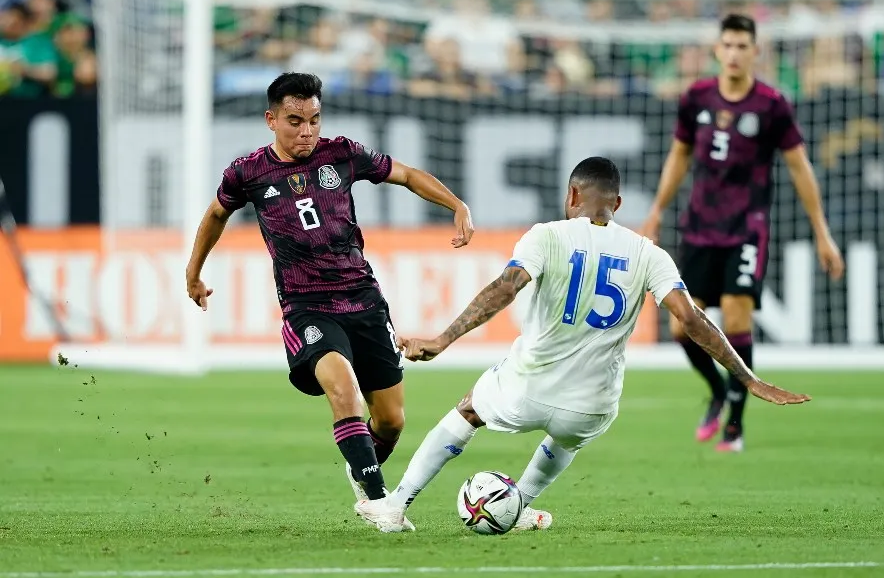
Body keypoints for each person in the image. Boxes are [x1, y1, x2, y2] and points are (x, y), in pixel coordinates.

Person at [354, 156, 810, 533]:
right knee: (569, 435)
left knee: (468, 410)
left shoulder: (547, 235)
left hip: (526, 389)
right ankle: (520, 504)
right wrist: (747, 378)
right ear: (617, 203)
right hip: (592, 406)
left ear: (572, 195)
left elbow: (506, 287)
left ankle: (397, 504)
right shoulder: (648, 252)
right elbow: (691, 319)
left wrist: (443, 339)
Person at [185, 72, 474, 530]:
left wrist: (456, 204)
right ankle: (380, 502)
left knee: (393, 422)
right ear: (271, 119)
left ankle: (360, 464)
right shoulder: (248, 172)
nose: (306, 132)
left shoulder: (342, 153)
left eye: (314, 120)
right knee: (344, 390)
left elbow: (406, 175)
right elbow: (217, 214)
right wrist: (194, 271)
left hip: (362, 297)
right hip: (306, 306)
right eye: (295, 121)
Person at [641, 15, 843, 452]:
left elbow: (799, 168)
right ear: (718, 50)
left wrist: (822, 233)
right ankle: (718, 390)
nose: (734, 53)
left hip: (746, 227)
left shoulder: (771, 104)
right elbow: (679, 157)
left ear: (755, 51)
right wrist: (656, 211)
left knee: (735, 316)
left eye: (742, 46)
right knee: (682, 328)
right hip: (698, 226)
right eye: (727, 45)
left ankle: (735, 423)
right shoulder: (696, 97)